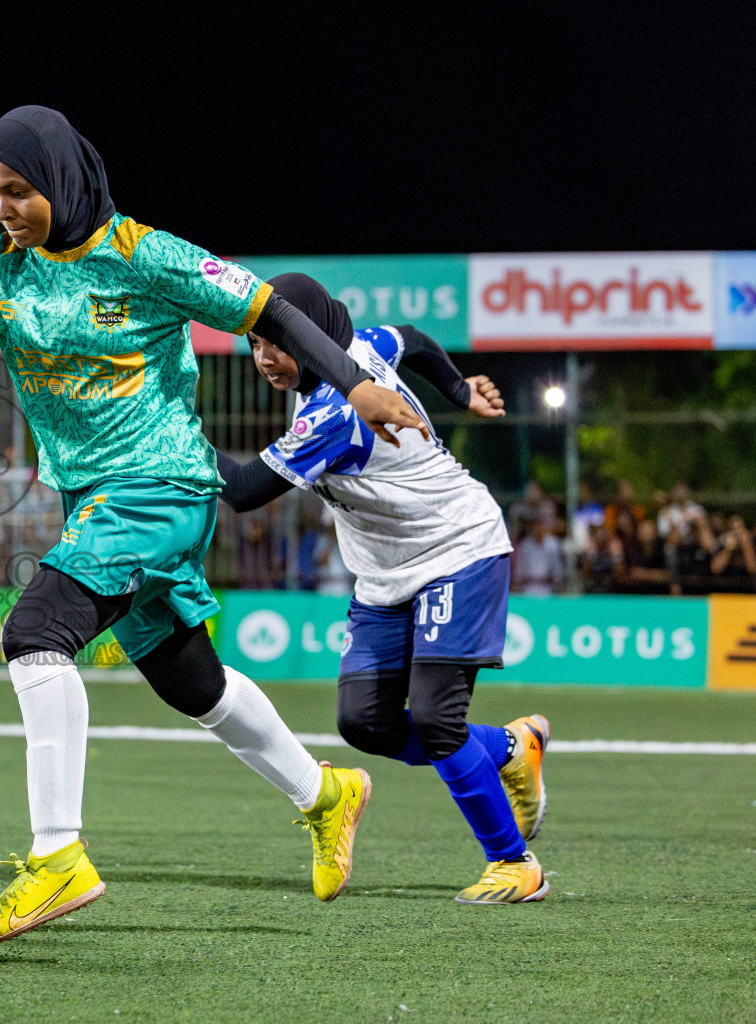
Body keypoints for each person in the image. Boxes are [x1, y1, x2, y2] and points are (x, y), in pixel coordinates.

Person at [0, 106, 428, 940]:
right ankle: (326, 793)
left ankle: (58, 859)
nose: (3, 211)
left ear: (60, 179)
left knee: (35, 634)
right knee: (188, 680)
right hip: (90, 500)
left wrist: (353, 384)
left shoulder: (143, 254)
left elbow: (271, 310)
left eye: (19, 192)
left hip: (160, 486)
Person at [214, 272, 551, 905]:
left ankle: (515, 864)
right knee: (364, 723)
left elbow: (241, 491)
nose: (265, 359)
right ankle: (510, 746)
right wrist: (458, 390)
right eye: (254, 345)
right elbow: (416, 340)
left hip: (458, 548)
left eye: (276, 343)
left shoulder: (332, 412)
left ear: (310, 335)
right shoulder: (359, 352)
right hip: (385, 573)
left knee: (435, 718)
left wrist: (157, 433)